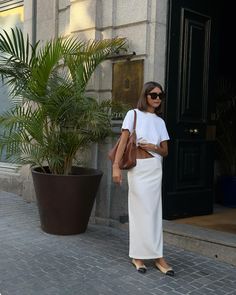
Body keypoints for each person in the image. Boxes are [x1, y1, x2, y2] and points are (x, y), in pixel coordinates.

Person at [112, 81, 174, 276]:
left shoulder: (160, 122)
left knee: (154, 213)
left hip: (155, 169)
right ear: (145, 96)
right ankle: (137, 256)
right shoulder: (133, 114)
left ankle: (158, 257)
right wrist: (116, 166)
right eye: (153, 95)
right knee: (139, 212)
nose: (157, 99)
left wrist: (153, 147)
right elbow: (123, 141)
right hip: (138, 169)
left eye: (160, 96)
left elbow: (165, 151)